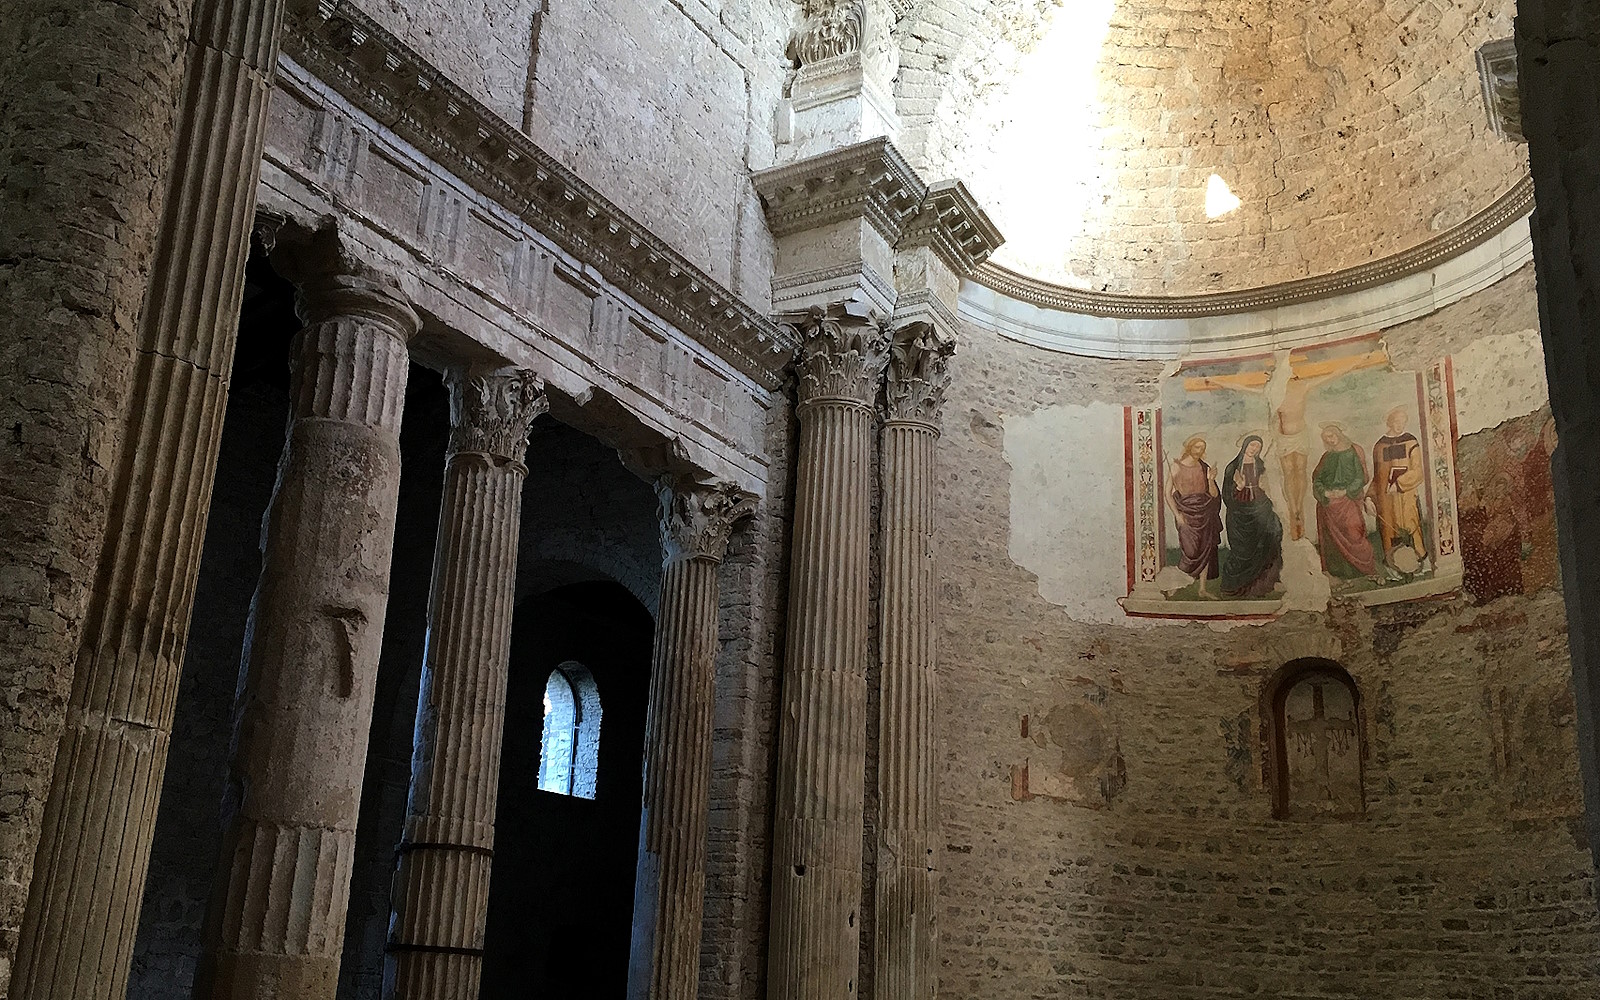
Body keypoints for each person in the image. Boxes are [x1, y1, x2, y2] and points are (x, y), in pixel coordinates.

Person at [1311, 423, 1377, 579]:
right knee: (1332, 541)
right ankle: (1341, 573)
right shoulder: (1327, 457)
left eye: (1332, 435)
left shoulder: (1353, 451)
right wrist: (1325, 492)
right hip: (1329, 505)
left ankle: (1364, 569)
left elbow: (1360, 477)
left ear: (1338, 434)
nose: (1331, 440)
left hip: (1347, 501)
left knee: (1354, 534)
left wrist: (1345, 491)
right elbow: (1317, 479)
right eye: (1326, 438)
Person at [1220, 435, 1283, 597]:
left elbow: (1270, 486)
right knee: (1242, 550)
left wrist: (1265, 486)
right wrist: (1239, 488)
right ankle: (1234, 585)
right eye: (1252, 445)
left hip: (1261, 508)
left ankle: (1267, 582)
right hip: (1239, 513)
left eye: (1258, 447)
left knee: (1273, 535)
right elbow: (1226, 495)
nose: (1254, 449)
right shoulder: (1232, 467)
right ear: (1245, 446)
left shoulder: (1262, 465)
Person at [1167, 435, 1222, 597]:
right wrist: (1177, 515)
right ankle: (1175, 586)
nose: (1200, 451)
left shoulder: (1204, 467)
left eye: (1202, 448)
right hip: (1186, 513)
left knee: (1205, 550)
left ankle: (1202, 589)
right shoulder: (1176, 467)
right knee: (1190, 552)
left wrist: (1211, 480)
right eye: (1197, 447)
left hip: (1204, 513)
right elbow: (1167, 494)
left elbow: (1213, 495)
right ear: (1189, 447)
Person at [1371, 407, 1426, 566]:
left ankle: (1416, 562)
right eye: (1396, 421)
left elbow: (1417, 471)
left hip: (1406, 497)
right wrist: (1369, 498)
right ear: (1390, 421)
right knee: (1390, 532)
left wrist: (1399, 484)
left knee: (1410, 528)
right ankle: (1394, 565)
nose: (1400, 424)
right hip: (1386, 501)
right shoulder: (1380, 446)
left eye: (1403, 421)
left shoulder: (1410, 442)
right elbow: (1377, 477)